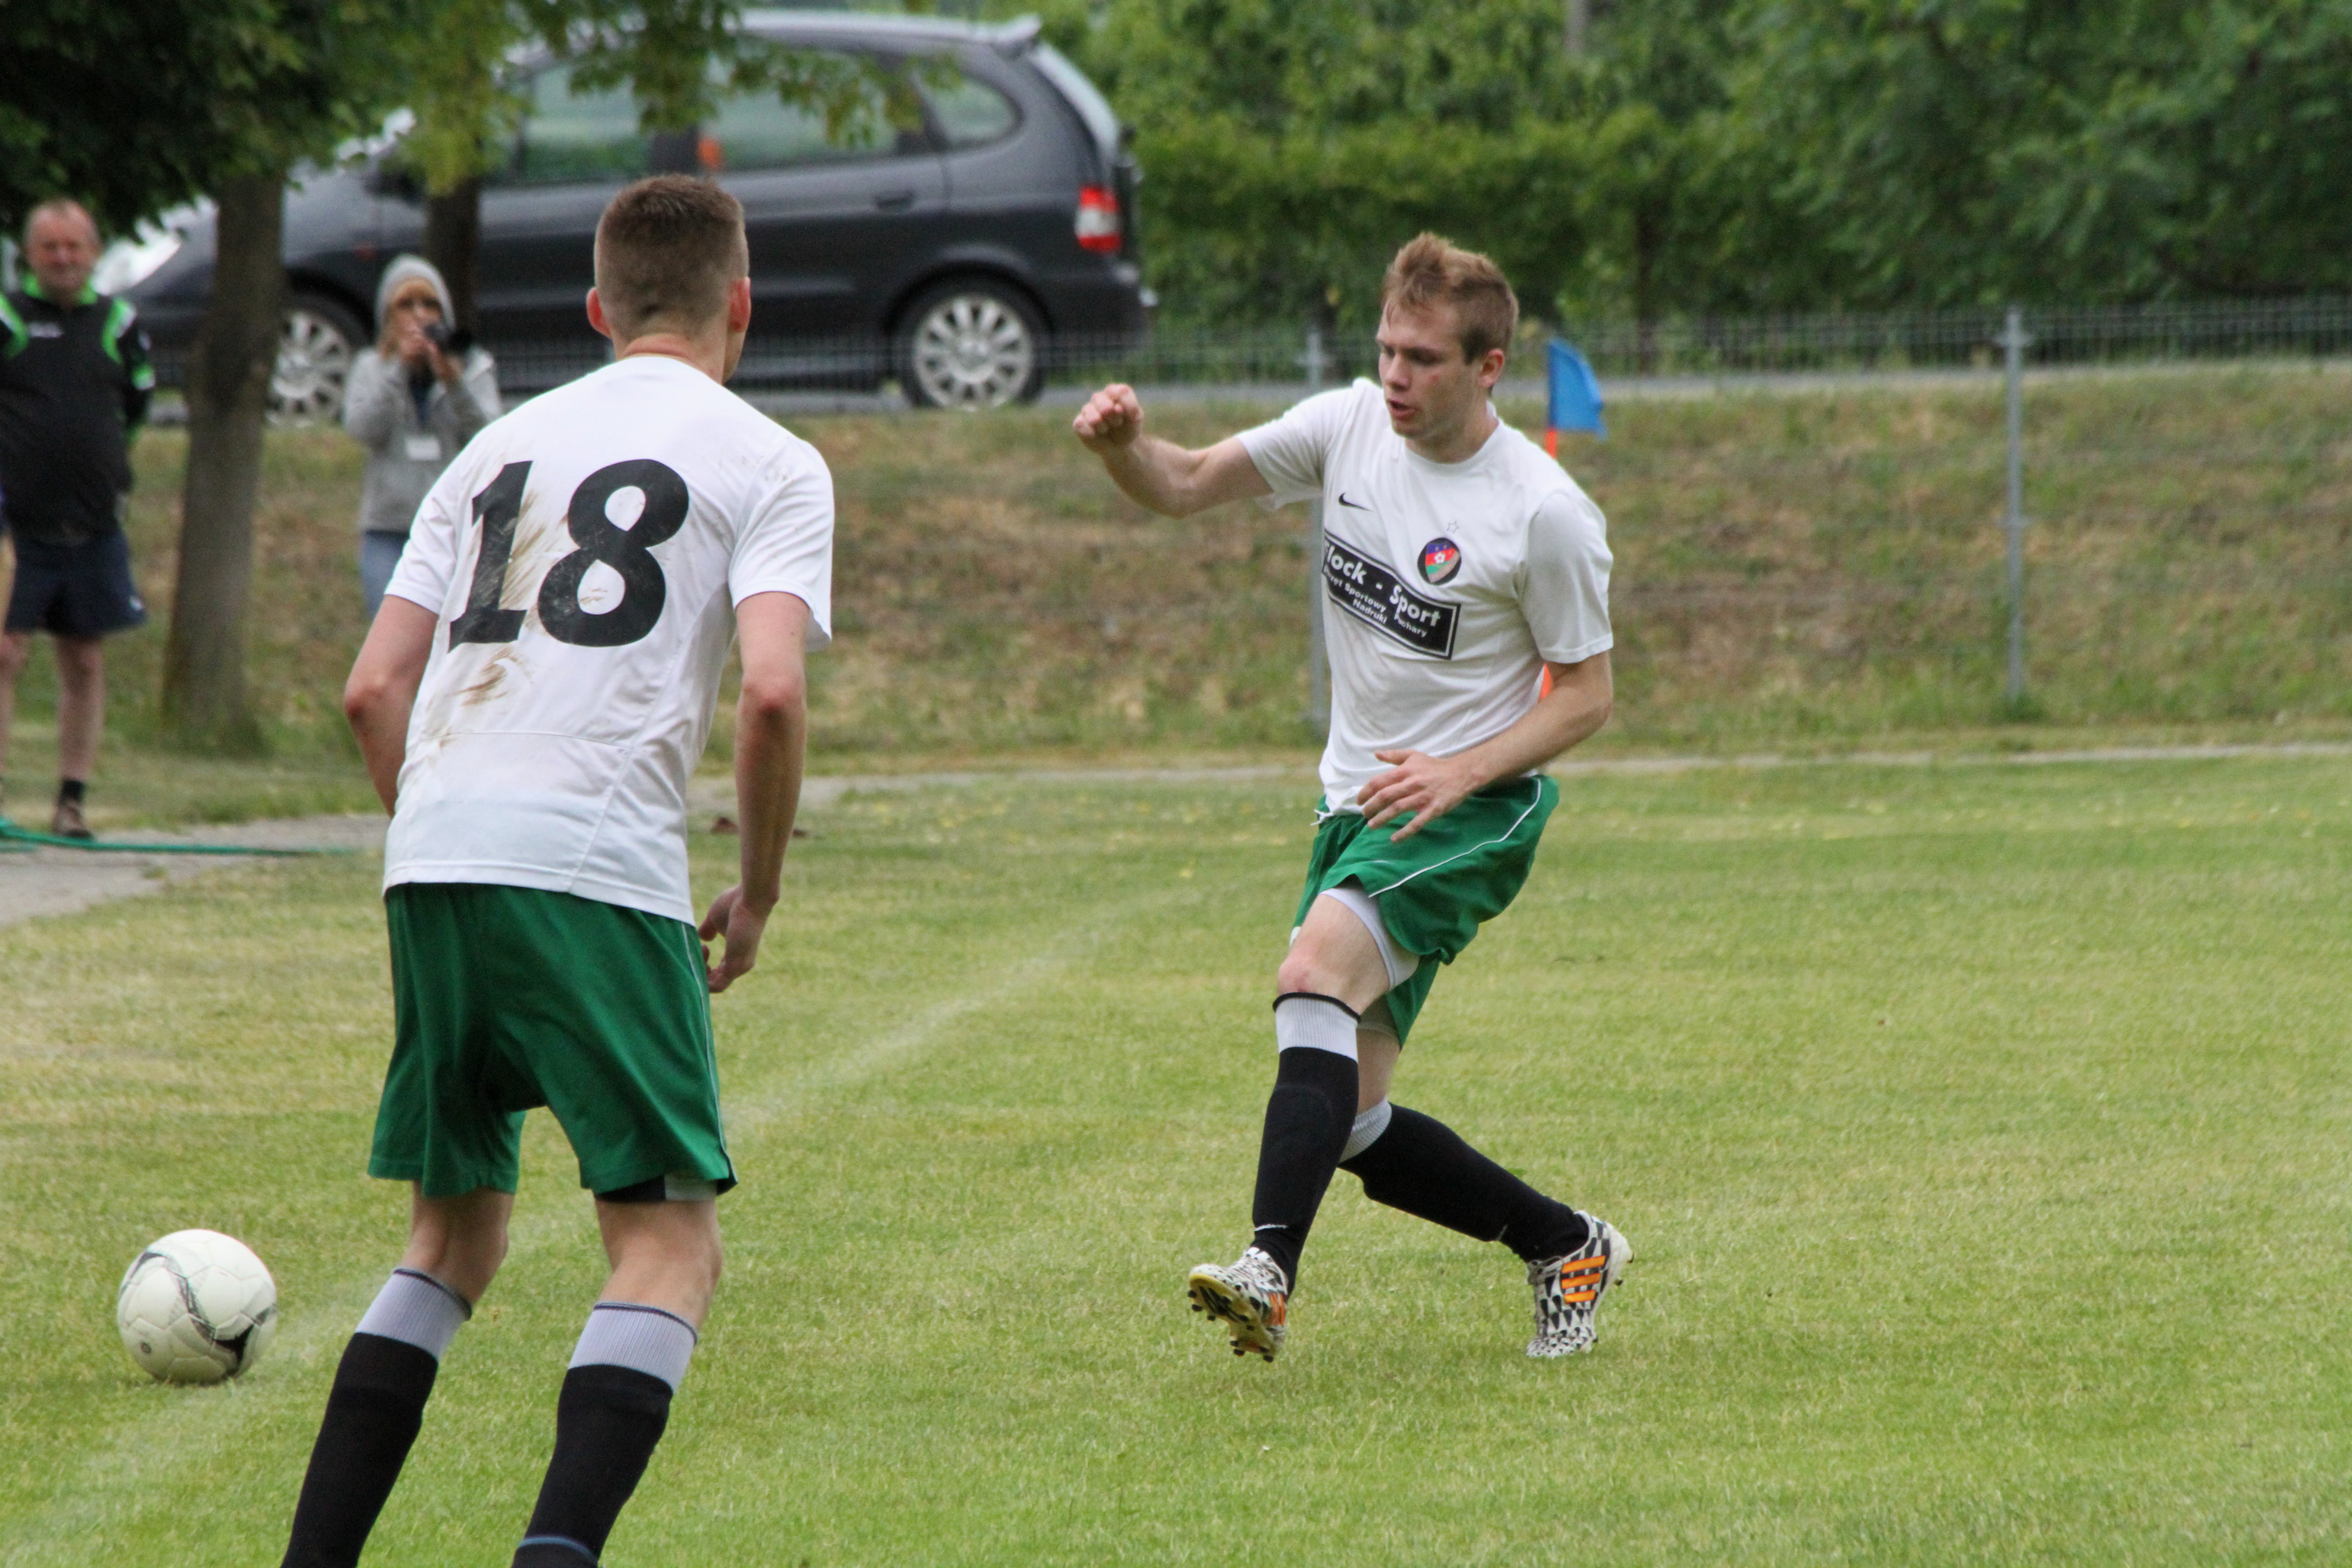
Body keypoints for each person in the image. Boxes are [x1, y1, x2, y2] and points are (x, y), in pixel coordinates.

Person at [280, 175, 833, 1568]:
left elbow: (371, 690)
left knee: (451, 1241)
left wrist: (443, 828)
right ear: (741, 305)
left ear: (598, 309)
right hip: (593, 866)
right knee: (666, 1248)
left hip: (434, 855)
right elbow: (773, 692)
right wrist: (760, 891)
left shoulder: (492, 449)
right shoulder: (769, 458)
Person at [1073, 234, 1628, 1363]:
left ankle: (1266, 1273)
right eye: (1386, 350)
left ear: (1488, 366)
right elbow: (1183, 484)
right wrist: (1124, 447)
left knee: (1310, 974)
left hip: (1469, 809)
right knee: (1352, 1115)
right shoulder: (1345, 427)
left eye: (1423, 358)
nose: (1395, 377)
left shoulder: (1543, 511)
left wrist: (1459, 769)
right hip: (1358, 808)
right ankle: (1565, 1242)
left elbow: (1588, 695)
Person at [0, 198, 154, 839]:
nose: (63, 259)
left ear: (93, 252)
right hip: (16, 525)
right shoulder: (9, 317)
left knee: (85, 660)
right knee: (5, 652)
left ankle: (71, 802)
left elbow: (139, 404)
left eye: (74, 247)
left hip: (91, 522)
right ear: (29, 255)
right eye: (51, 247)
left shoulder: (119, 323)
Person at [341, 254, 500, 617]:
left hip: (452, 531)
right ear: (388, 316)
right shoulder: (371, 367)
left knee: (449, 635)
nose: (420, 315)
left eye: (430, 304)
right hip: (388, 530)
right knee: (389, 633)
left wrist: (453, 382)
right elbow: (361, 429)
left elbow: (490, 436)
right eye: (406, 305)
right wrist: (399, 370)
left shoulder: (474, 367)